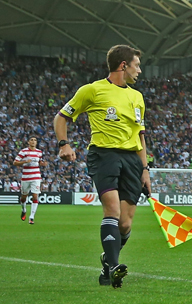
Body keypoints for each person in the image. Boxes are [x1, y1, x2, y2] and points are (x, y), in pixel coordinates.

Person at [54, 44, 149, 289]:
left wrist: (145, 169)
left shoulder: (137, 97)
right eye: (137, 65)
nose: (140, 70)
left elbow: (139, 135)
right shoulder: (93, 90)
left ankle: (108, 262)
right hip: (103, 154)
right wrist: (64, 144)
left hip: (131, 160)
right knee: (112, 210)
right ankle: (115, 266)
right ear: (123, 65)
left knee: (126, 223)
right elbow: (62, 116)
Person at [12, 136, 44, 224]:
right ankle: (24, 209)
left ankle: (32, 217)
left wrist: (43, 164)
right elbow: (15, 162)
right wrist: (25, 161)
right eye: (32, 140)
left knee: (35, 196)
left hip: (36, 177)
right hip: (26, 177)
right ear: (28, 142)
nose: (33, 141)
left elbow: (40, 162)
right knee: (23, 197)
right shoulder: (23, 152)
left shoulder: (39, 152)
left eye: (35, 140)